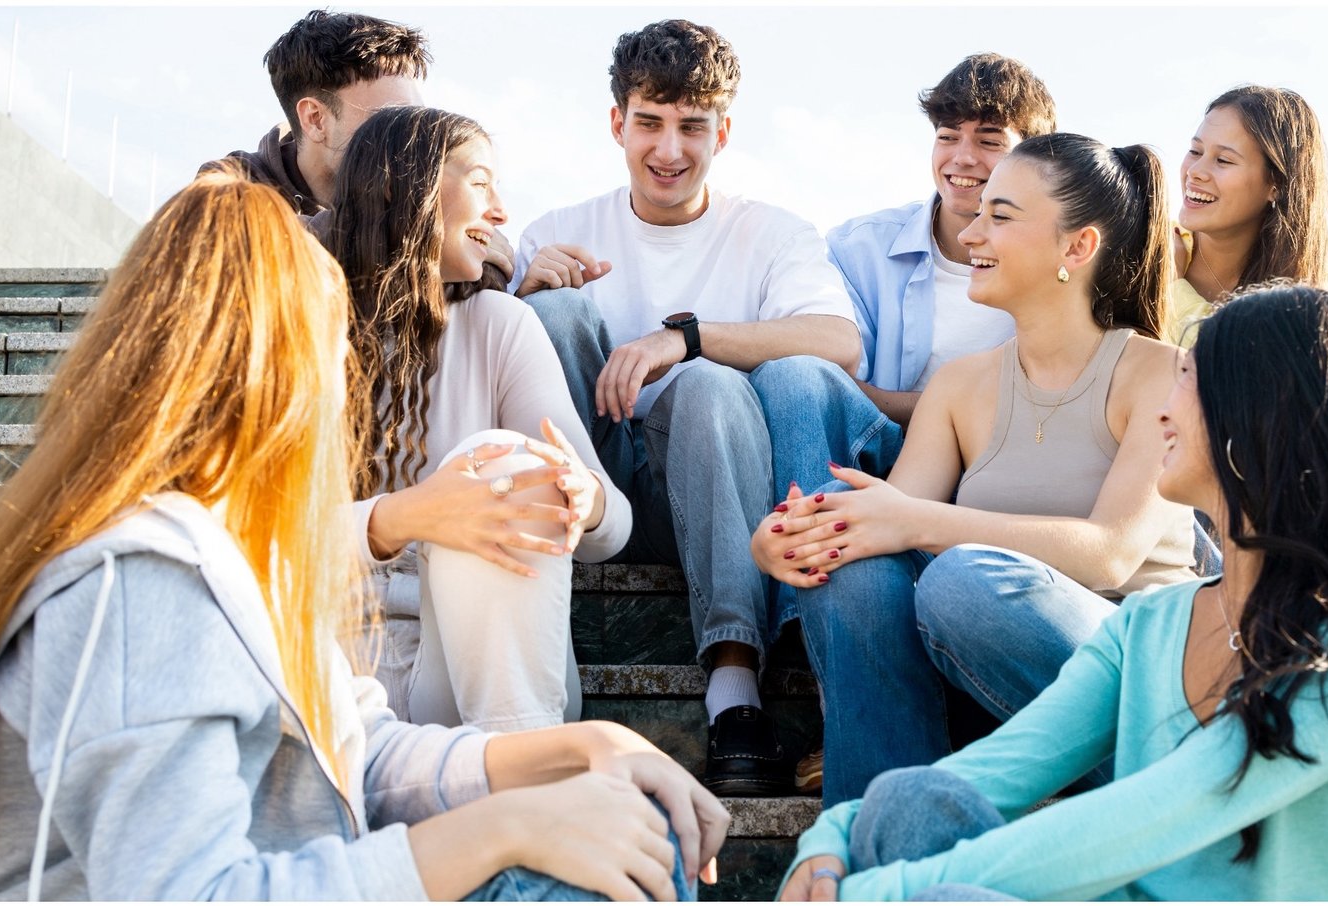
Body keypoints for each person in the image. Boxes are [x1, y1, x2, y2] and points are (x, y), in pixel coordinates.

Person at [0, 173, 727, 901]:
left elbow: (359, 753)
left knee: (633, 831)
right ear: (272, 375)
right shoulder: (141, 583)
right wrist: (507, 827)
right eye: (335, 353)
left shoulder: (229, 555)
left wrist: (585, 747)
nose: (347, 389)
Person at [778, 285, 1328, 902]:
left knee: (948, 896)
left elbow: (1154, 814)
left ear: (1261, 416)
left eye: (1188, 383)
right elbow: (992, 771)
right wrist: (831, 840)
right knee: (904, 807)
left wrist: (875, 892)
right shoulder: (1152, 625)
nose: (1162, 409)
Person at [753, 133, 1201, 806]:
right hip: (985, 686)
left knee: (964, 582)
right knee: (850, 560)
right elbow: (886, 524)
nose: (970, 233)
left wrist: (916, 523)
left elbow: (1110, 554)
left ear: (1077, 247)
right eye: (979, 211)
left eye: (1001, 215)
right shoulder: (960, 386)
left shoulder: (1161, 374)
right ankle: (884, 824)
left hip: (1137, 693)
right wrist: (793, 540)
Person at [509, 19, 861, 796]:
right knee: (549, 313)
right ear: (617, 124)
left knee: (709, 383)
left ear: (722, 133)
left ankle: (735, 697)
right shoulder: (558, 231)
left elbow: (838, 342)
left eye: (692, 127)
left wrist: (689, 340)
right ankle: (537, 632)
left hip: (713, 494)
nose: (669, 150)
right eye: (650, 123)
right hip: (590, 485)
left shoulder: (771, 232)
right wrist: (522, 297)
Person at [752, 54, 1056, 793]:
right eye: (948, 136)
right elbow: (831, 368)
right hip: (879, 455)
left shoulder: (1053, 252)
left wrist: (921, 404)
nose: (962, 158)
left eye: (989, 140)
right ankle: (827, 665)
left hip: (988, 466)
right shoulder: (861, 245)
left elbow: (1036, 396)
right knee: (793, 377)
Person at [325, 106, 632, 733]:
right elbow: (251, 536)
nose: (500, 213)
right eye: (481, 183)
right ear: (401, 187)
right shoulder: (304, 323)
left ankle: (521, 764)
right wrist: (408, 517)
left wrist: (584, 497)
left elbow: (615, 528)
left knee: (504, 461)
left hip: (474, 677)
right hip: (321, 658)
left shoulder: (501, 325)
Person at [199, 9, 515, 291]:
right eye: (389, 119)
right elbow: (236, 253)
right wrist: (406, 233)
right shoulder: (228, 185)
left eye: (417, 120)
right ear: (315, 119)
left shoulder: (425, 195)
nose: (411, 137)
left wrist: (461, 248)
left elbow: (484, 272)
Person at [1167, 85, 1328, 345]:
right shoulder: (1147, 247)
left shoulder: (1301, 287)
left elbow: (1234, 362)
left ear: (1276, 185)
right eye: (1195, 151)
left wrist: (1172, 287)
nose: (1195, 172)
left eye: (1223, 160)